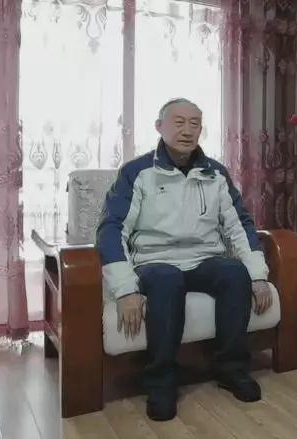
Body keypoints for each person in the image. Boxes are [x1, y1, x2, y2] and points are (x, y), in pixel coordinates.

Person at [96, 98, 274, 421]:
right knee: (167, 280)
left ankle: (230, 368)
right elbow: (111, 230)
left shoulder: (215, 173)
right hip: (154, 261)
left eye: (195, 124)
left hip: (204, 258)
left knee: (235, 273)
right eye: (178, 122)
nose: (187, 130)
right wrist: (124, 289)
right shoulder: (136, 173)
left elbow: (239, 225)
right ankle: (161, 381)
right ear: (159, 127)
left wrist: (258, 275)